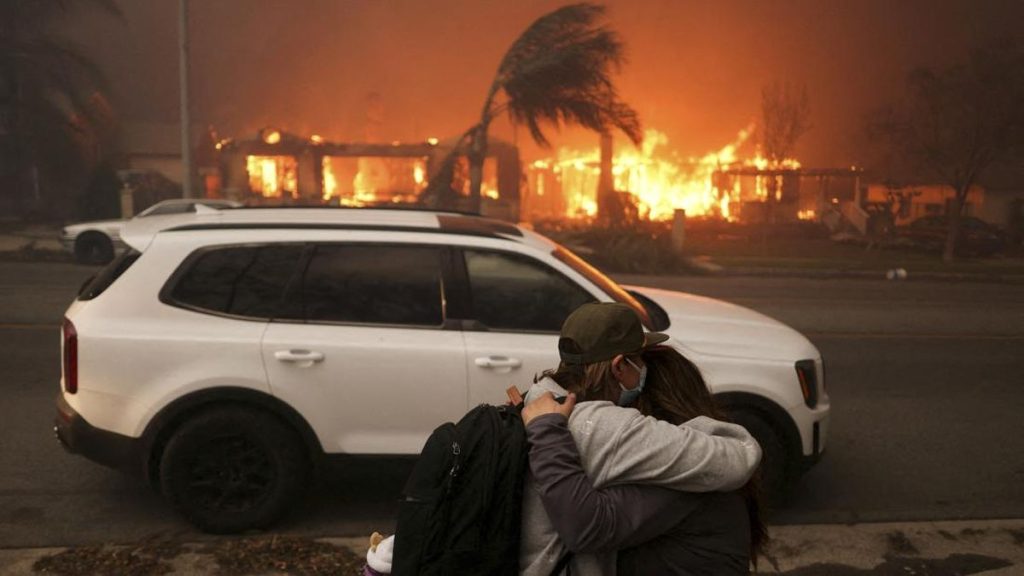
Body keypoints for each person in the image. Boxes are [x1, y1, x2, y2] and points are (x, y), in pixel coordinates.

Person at [518, 302, 762, 576]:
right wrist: (680, 434)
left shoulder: (536, 401)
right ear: (620, 366)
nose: (643, 367)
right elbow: (739, 456)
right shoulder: (610, 427)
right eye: (641, 358)